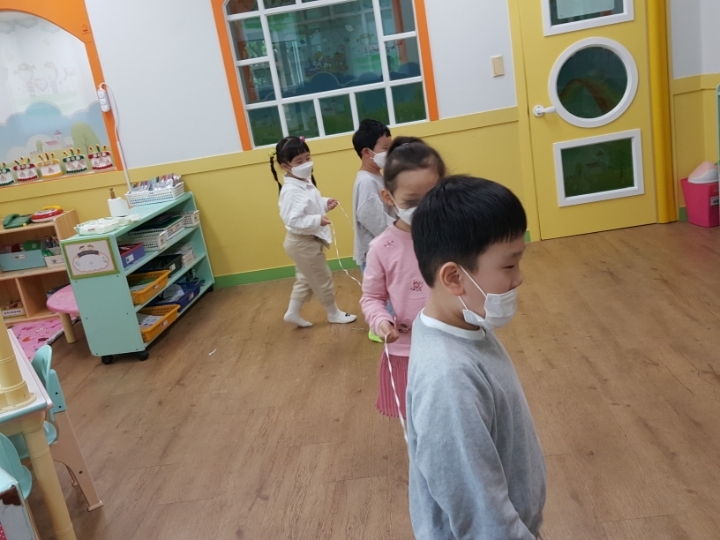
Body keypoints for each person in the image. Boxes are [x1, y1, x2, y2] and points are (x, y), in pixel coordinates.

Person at [407, 175, 546, 539]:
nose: (519, 278)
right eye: (509, 266)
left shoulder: (466, 322)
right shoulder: (448, 378)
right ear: (454, 278)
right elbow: (481, 514)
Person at [360, 137, 446, 418]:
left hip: (453, 344)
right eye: (411, 201)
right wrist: (381, 321)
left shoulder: (453, 236)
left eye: (431, 198)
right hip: (407, 351)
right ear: (389, 197)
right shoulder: (382, 248)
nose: (422, 209)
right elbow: (372, 297)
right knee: (418, 420)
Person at [270, 136, 357, 327]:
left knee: (305, 279)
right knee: (322, 278)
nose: (306, 163)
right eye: (299, 161)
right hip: (302, 243)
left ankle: (292, 313)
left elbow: (309, 205)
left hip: (305, 241)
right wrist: (317, 220)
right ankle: (333, 314)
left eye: (307, 158)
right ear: (285, 166)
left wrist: (325, 204)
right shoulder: (291, 191)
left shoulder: (304, 182)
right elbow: (292, 219)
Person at [352, 119, 395, 342]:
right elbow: (373, 219)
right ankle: (379, 328)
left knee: (392, 290)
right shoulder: (366, 181)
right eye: (385, 149)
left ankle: (389, 324)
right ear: (367, 152)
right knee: (381, 293)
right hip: (374, 252)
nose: (390, 153)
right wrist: (400, 232)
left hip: (387, 247)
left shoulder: (379, 176)